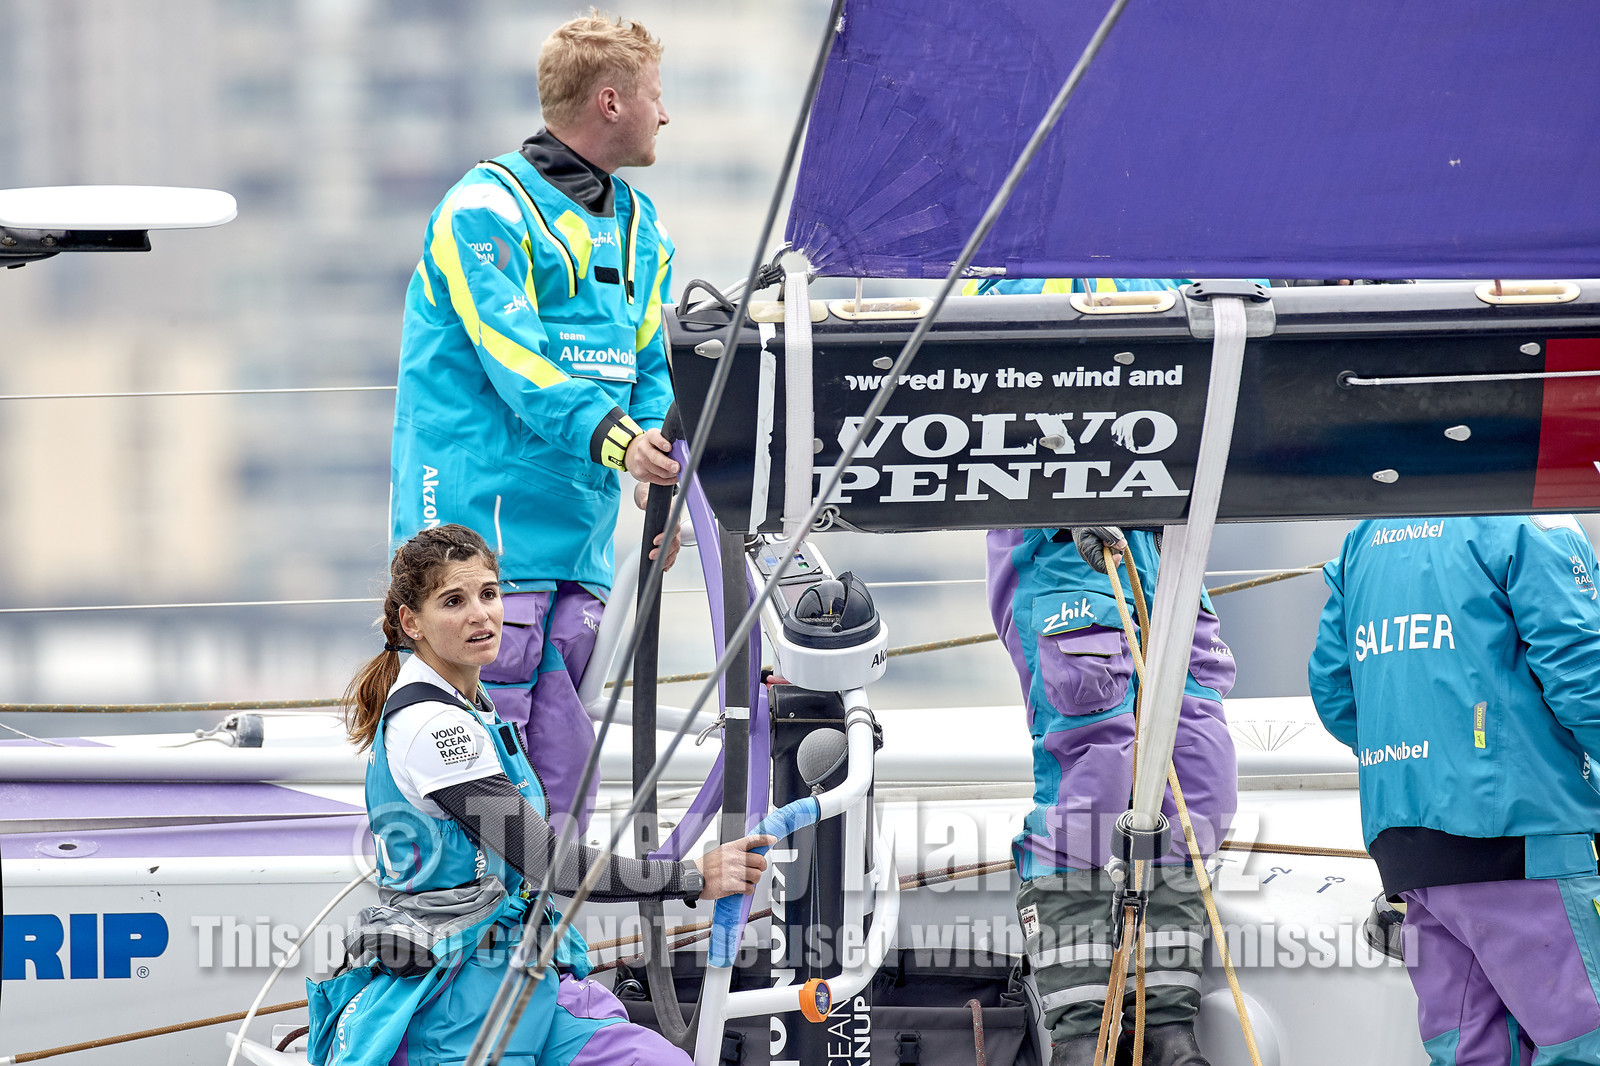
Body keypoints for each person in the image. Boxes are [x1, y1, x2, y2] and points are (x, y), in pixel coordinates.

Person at [307, 524, 772, 1066]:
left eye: (488, 593)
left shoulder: (467, 700)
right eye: (453, 601)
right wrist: (691, 877)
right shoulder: (433, 726)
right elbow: (544, 860)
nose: (481, 614)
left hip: (527, 978)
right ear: (412, 623)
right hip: (456, 1004)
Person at [389, 12, 680, 837]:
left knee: (563, 769)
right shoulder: (483, 210)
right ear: (612, 102)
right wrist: (626, 444)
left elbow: (653, 365)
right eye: (656, 95)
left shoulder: (644, 226)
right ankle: (473, 915)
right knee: (481, 759)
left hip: (579, 543)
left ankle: (556, 920)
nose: (666, 115)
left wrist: (662, 480)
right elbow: (518, 362)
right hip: (478, 534)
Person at [1309, 515, 1600, 1066]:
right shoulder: (1529, 515)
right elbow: (1583, 672)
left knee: (1468, 1050)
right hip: (1523, 837)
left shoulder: (1364, 537)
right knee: (1582, 1043)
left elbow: (1334, 688)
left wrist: (1427, 763)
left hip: (1409, 853)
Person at [989, 525, 1237, 1066]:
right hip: (1065, 548)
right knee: (1093, 786)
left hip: (1166, 553)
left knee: (1201, 784)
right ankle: (1081, 1037)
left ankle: (1165, 1028)